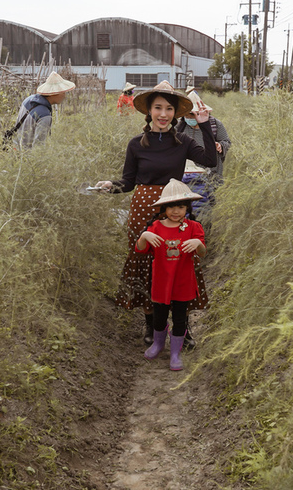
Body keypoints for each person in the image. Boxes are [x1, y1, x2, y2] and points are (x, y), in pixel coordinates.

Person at [95, 81, 217, 348]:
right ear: (148, 111)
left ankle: (181, 328)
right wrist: (109, 186)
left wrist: (205, 124)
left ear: (175, 113)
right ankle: (152, 325)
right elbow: (128, 182)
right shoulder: (136, 144)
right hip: (143, 208)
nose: (163, 114)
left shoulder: (183, 141)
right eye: (158, 108)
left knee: (180, 263)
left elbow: (210, 160)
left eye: (169, 109)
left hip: (176, 205)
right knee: (148, 265)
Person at [136, 179, 206, 371]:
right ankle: (158, 344)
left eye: (181, 207)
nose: (176, 212)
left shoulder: (193, 227)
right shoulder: (156, 227)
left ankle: (175, 352)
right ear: (164, 208)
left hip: (183, 281)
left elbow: (202, 252)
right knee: (159, 316)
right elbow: (140, 250)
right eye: (172, 207)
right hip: (161, 281)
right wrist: (144, 236)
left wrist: (197, 244)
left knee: (180, 317)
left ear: (187, 208)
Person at [177, 91, 231, 217]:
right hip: (186, 177)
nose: (191, 117)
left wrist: (220, 146)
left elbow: (226, 141)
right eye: (188, 114)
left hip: (211, 173)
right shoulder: (179, 128)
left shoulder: (214, 125)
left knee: (208, 207)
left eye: (194, 114)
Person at [14, 71, 75, 149]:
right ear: (54, 93)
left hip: (16, 151)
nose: (64, 96)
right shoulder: (44, 115)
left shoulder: (28, 100)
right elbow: (38, 145)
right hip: (28, 157)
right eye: (63, 93)